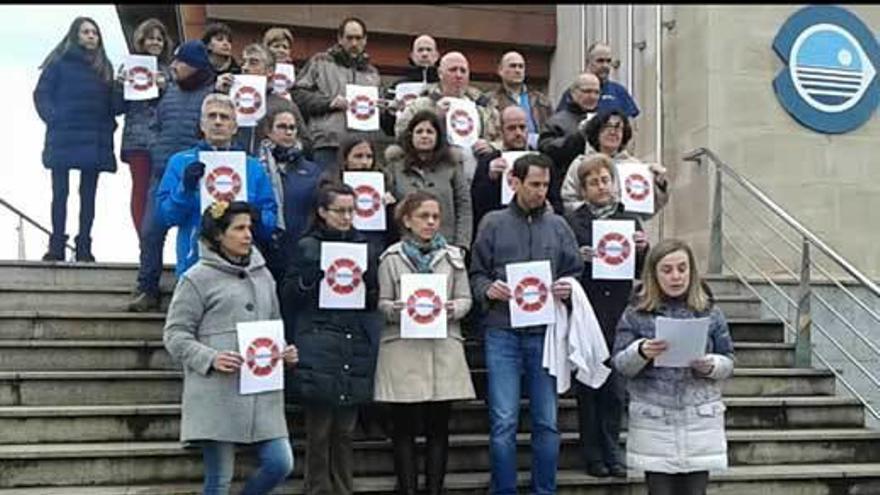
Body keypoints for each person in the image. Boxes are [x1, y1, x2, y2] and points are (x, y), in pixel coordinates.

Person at [163, 200, 297, 495]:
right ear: (218, 235)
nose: (248, 234)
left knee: (280, 463)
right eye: (239, 228)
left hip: (261, 392)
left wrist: (284, 350)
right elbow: (175, 334)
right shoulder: (196, 278)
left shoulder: (264, 275)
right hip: (217, 393)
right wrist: (210, 358)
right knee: (219, 479)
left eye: (249, 227)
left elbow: (274, 322)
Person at [469, 152, 584, 495]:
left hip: (545, 334)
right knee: (503, 420)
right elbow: (475, 273)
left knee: (547, 422)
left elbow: (574, 270)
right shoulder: (492, 222)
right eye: (534, 184)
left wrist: (567, 288)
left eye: (546, 185)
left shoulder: (559, 226)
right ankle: (503, 489)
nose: (541, 192)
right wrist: (487, 290)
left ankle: (543, 490)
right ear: (514, 182)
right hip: (502, 331)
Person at [280, 184, 382, 495]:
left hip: (354, 341)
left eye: (352, 210)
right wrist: (312, 280)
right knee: (319, 431)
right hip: (318, 341)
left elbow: (373, 299)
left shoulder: (365, 245)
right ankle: (317, 489)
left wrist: (368, 286)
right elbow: (288, 294)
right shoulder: (307, 246)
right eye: (340, 210)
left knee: (345, 432)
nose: (347, 217)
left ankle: (343, 489)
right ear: (323, 212)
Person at [612, 238, 734, 495]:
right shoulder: (636, 312)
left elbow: (729, 360)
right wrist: (641, 351)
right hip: (654, 418)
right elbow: (621, 364)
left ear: (692, 271)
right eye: (667, 270)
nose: (676, 276)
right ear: (654, 274)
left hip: (699, 417)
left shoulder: (710, 311)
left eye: (682, 268)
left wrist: (711, 365)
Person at [374, 191, 474, 494]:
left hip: (442, 346)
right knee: (403, 428)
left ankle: (434, 489)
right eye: (424, 217)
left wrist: (452, 309)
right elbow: (382, 302)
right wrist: (396, 310)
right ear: (407, 220)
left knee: (438, 428)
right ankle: (407, 489)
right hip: (403, 347)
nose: (431, 222)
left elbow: (466, 298)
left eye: (435, 217)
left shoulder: (453, 257)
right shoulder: (391, 257)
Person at [563, 153, 649, 479]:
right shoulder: (574, 222)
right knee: (589, 387)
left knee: (615, 390)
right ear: (583, 189)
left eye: (605, 180)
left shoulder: (630, 220)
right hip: (587, 314)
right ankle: (593, 455)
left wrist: (643, 249)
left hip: (619, 315)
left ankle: (614, 452)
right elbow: (564, 266)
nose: (601, 186)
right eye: (593, 182)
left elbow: (643, 271)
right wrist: (580, 258)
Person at [128, 39, 217, 312]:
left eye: (180, 61)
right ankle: (147, 288)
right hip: (163, 171)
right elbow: (153, 124)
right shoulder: (167, 91)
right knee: (151, 231)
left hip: (199, 175)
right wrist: (154, 147)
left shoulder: (212, 94)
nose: (174, 66)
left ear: (194, 65)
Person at [154, 93, 277, 277]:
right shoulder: (180, 162)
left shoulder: (252, 167)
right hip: (195, 264)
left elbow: (270, 222)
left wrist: (256, 216)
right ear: (202, 125)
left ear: (235, 127)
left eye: (224, 117)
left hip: (241, 266)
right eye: (212, 116)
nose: (218, 122)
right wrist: (184, 189)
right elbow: (166, 217)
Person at [33, 16, 124, 262]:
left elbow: (115, 106)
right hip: (64, 134)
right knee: (60, 193)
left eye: (94, 32)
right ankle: (57, 245)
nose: (91, 36)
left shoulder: (105, 66)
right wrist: (54, 118)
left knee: (88, 195)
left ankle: (84, 245)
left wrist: (120, 88)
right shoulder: (58, 63)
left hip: (94, 136)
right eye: (86, 32)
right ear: (75, 34)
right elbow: (41, 94)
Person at [395, 51, 501, 182]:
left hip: (477, 174)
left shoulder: (484, 107)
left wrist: (491, 146)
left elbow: (504, 140)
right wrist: (434, 119)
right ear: (440, 74)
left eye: (463, 71)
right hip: (436, 173)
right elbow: (401, 134)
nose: (458, 75)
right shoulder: (422, 103)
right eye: (453, 70)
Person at [293, 17, 381, 172]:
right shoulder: (320, 62)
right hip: (327, 144)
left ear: (365, 40)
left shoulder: (372, 73)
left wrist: (386, 107)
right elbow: (298, 95)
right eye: (349, 38)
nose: (354, 43)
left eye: (358, 38)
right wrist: (329, 103)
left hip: (361, 149)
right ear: (340, 39)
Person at [117, 18, 173, 240]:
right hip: (137, 141)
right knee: (140, 190)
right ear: (141, 40)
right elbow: (117, 107)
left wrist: (165, 89)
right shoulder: (128, 68)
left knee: (160, 192)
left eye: (159, 39)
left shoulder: (170, 73)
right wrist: (118, 86)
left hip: (163, 140)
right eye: (151, 38)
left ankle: (158, 238)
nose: (155, 42)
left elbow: (176, 106)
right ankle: (144, 239)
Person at [386, 110, 472, 250]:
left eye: (429, 132)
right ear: (411, 136)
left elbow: (463, 206)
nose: (424, 136)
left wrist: (462, 245)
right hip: (406, 247)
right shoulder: (395, 168)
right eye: (419, 132)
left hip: (446, 246)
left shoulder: (452, 167)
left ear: (438, 136)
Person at [560, 109, 669, 216]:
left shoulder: (635, 166)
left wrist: (659, 185)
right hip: (589, 228)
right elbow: (569, 201)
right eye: (607, 126)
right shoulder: (580, 164)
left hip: (628, 228)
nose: (613, 132)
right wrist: (595, 213)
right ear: (596, 131)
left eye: (618, 128)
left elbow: (649, 209)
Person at [256, 107, 322, 280]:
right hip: (263, 248)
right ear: (268, 131)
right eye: (282, 127)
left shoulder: (312, 170)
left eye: (292, 128)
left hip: (298, 250)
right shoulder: (255, 167)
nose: (288, 132)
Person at [215, 43, 311, 155]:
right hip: (233, 167)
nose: (245, 67)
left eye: (253, 62)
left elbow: (306, 143)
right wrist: (218, 94)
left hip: (270, 169)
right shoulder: (228, 100)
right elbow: (204, 131)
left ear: (270, 71)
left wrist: (286, 148)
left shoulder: (285, 106)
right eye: (244, 62)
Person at [320, 134, 395, 256]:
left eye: (369, 157)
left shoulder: (384, 181)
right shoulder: (329, 182)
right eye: (358, 156)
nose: (364, 162)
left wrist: (390, 207)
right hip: (337, 243)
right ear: (345, 158)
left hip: (374, 243)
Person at [537, 72, 601, 213]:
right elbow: (547, 150)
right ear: (573, 93)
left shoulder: (605, 120)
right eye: (587, 91)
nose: (592, 96)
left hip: (600, 195)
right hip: (568, 196)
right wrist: (578, 137)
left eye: (596, 92)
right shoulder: (556, 121)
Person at [470, 106, 529, 232]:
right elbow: (476, 206)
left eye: (522, 127)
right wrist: (490, 178)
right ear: (501, 131)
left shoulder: (540, 159)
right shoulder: (488, 161)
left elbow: (556, 202)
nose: (518, 133)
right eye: (511, 128)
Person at [555, 42, 640, 118]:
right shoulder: (574, 92)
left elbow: (631, 127)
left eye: (608, 61)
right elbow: (561, 124)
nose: (605, 65)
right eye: (600, 61)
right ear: (588, 62)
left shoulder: (619, 92)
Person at [488, 51, 552, 150]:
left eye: (521, 66)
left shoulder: (542, 100)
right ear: (500, 70)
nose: (518, 70)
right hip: (504, 154)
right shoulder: (490, 101)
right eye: (513, 66)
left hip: (537, 154)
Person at [379, 34, 440, 137]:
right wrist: (391, 114)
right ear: (412, 55)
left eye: (429, 50)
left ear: (436, 55)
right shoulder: (398, 87)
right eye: (420, 50)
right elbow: (387, 129)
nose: (425, 54)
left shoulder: (444, 85)